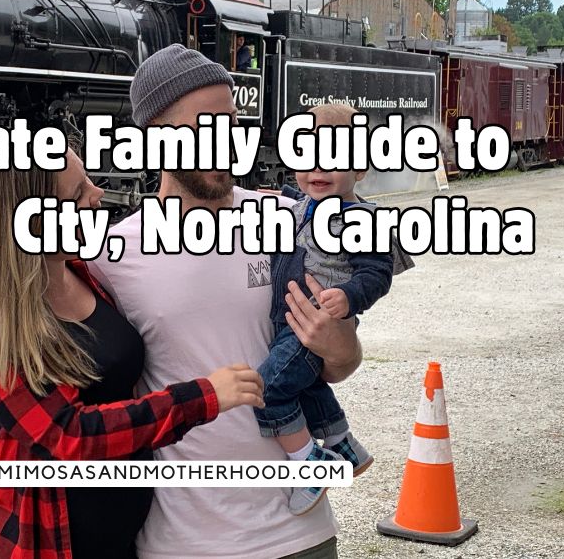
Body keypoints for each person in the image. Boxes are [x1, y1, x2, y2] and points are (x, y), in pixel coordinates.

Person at [0, 153, 266, 559]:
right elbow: (67, 436)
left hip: (120, 542)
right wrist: (200, 398)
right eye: (78, 193)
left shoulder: (79, 271)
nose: (98, 195)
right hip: (40, 543)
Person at [91, 44, 362, 559]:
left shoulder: (287, 220)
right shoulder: (114, 257)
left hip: (299, 532)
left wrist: (339, 345)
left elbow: (340, 363)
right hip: (182, 542)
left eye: (233, 123)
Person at [254, 103, 415, 516]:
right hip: (293, 322)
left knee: (267, 391)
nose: (316, 170)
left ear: (360, 169)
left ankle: (310, 462)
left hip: (315, 323)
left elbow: (377, 272)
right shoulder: (305, 203)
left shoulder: (362, 219)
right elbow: (296, 204)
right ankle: (344, 444)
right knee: (305, 386)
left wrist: (348, 297)